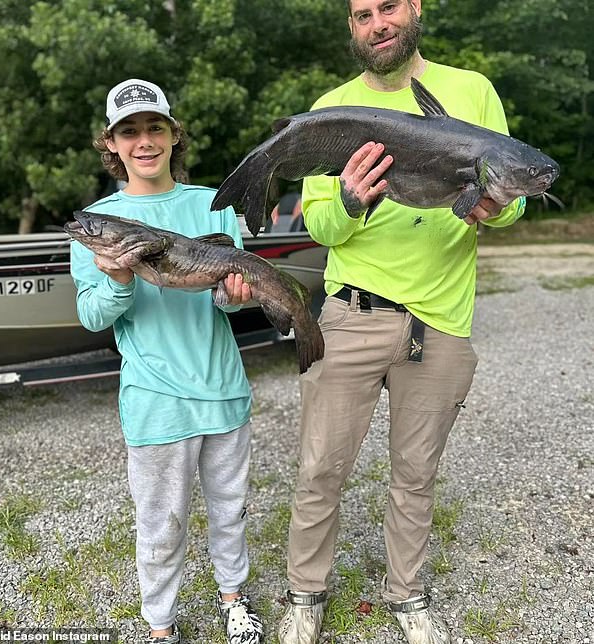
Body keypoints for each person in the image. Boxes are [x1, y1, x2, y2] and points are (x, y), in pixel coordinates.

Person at [278, 2, 526, 644]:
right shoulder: (331, 108)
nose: (377, 23)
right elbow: (321, 227)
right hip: (351, 313)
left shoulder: (472, 91)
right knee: (321, 468)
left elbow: (511, 201)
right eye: (362, 15)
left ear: (414, 9)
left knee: (415, 475)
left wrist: (491, 211)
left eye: (388, 7)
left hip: (440, 319)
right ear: (353, 28)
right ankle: (305, 592)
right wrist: (352, 200)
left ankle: (407, 595)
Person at [69, 78, 264, 644]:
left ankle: (234, 599)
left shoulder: (212, 204)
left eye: (155, 127)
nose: (144, 141)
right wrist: (119, 279)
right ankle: (160, 625)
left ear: (174, 135)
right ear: (111, 144)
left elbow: (226, 302)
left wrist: (235, 295)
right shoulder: (95, 223)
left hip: (225, 391)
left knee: (231, 511)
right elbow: (93, 317)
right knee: (160, 525)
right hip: (155, 403)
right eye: (129, 132)